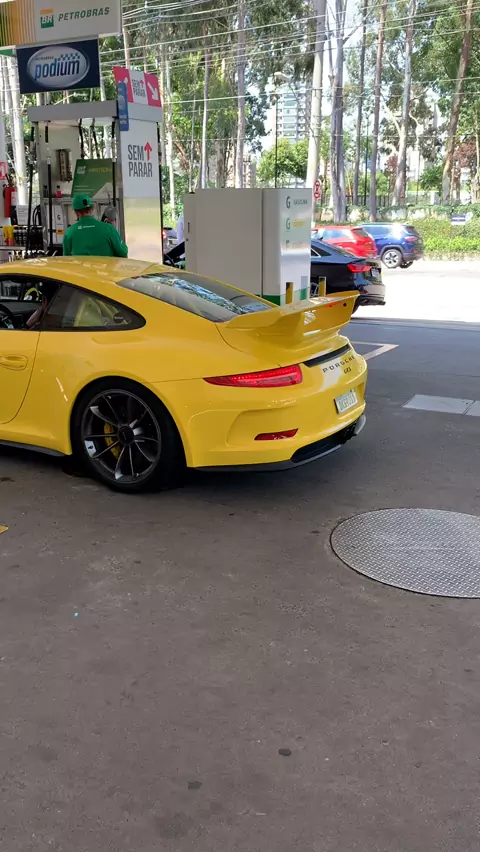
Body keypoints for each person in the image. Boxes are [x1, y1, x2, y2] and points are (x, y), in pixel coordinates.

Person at [63, 194, 128, 258]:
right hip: (104, 265)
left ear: (75, 212)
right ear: (92, 209)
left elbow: (66, 259)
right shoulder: (109, 228)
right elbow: (123, 252)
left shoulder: (69, 233)